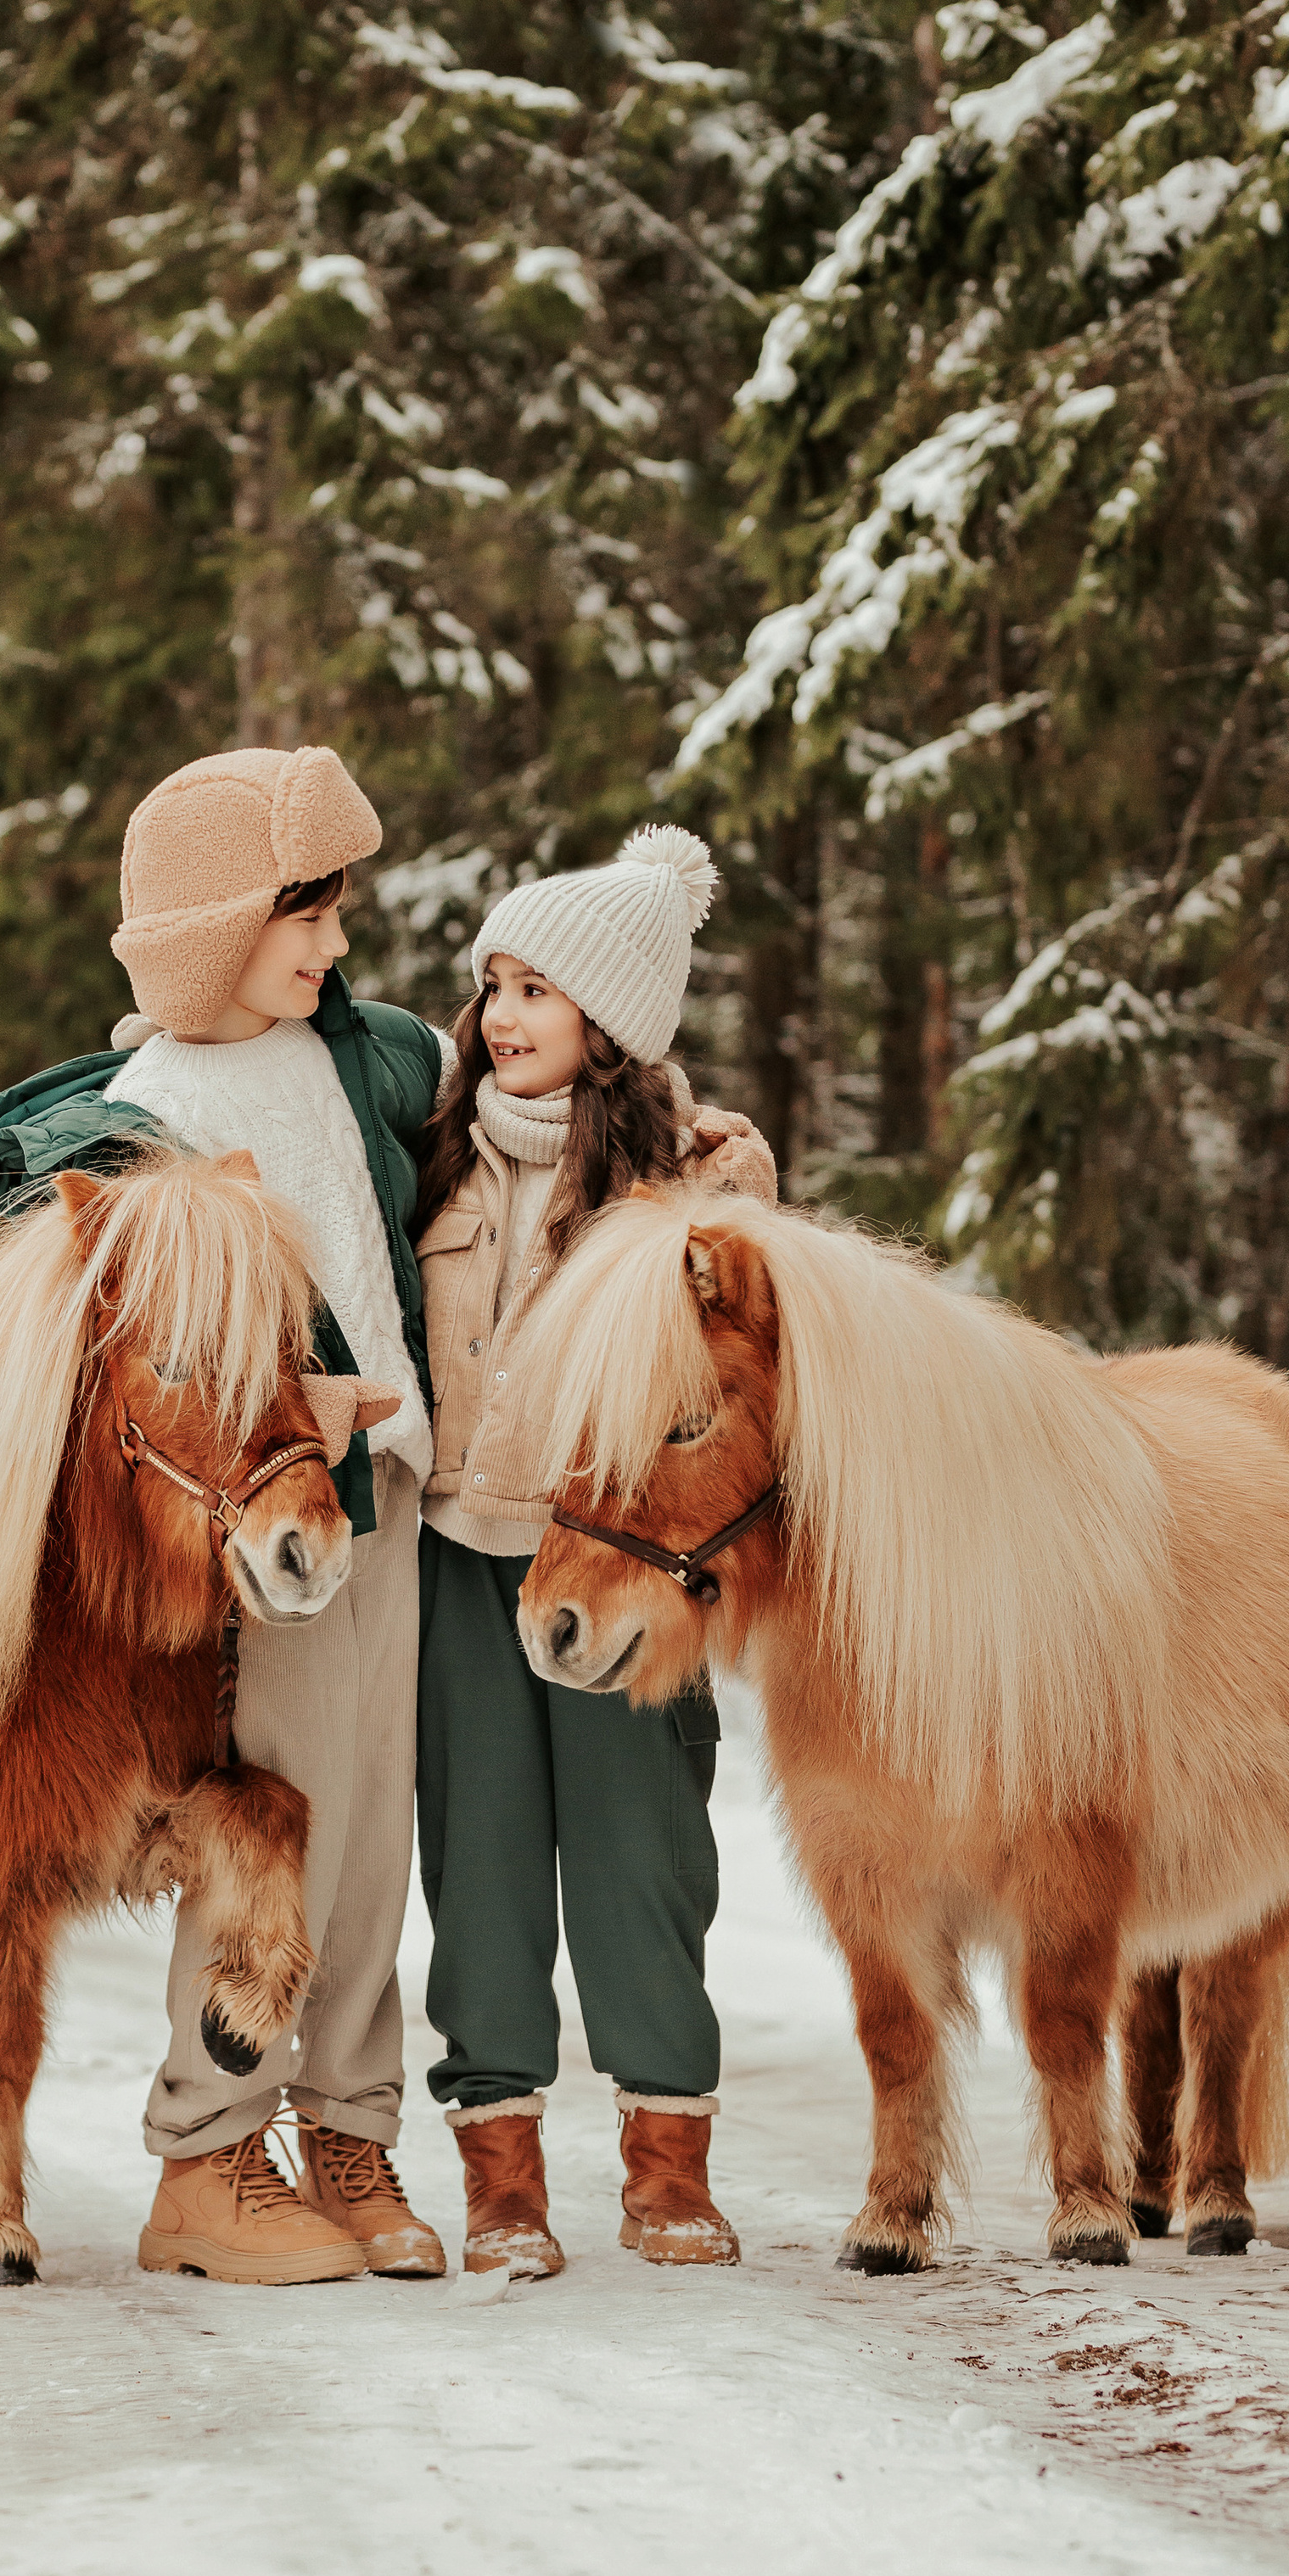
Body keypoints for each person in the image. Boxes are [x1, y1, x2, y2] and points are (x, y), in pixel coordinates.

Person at [0, 745, 446, 2286]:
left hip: (393, 1495)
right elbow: (155, 1357)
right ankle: (208, 2155)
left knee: (372, 1840)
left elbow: (518, 1107)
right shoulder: (154, 1110)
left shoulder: (348, 1053)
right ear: (217, 924)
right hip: (266, 1527)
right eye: (306, 913)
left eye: (337, 911)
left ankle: (349, 2131)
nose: (335, 941)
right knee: (275, 1836)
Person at [411, 825, 776, 2276]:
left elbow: (750, 1361)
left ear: (607, 1027)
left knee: (644, 1862)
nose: (503, 1017)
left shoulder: (684, 1192)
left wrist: (742, 1193)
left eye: (538, 992)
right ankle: (502, 2187)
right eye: (494, 985)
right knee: (482, 1870)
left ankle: (666, 2173)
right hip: (461, 1550)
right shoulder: (432, 1152)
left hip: (627, 1563)